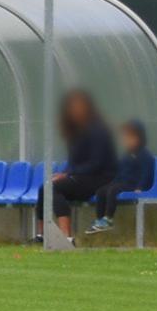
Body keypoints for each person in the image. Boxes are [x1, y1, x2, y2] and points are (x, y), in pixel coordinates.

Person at [47, 87, 115, 242]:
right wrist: (65, 173)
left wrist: (69, 174)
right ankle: (41, 235)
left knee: (53, 188)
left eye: (78, 106)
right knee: (46, 187)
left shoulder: (99, 130)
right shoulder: (76, 132)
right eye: (71, 107)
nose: (74, 111)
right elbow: (73, 162)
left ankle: (66, 237)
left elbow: (97, 163)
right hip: (84, 178)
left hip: (100, 179)